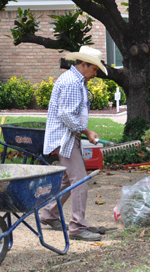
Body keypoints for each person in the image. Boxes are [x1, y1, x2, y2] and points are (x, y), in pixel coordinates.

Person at [40, 46, 108, 241]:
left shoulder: (76, 81)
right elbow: (66, 114)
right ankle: (77, 227)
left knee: (68, 180)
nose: (95, 74)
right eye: (94, 69)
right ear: (84, 64)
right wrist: (86, 131)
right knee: (80, 180)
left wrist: (84, 132)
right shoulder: (71, 82)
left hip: (69, 136)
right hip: (64, 138)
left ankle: (49, 214)